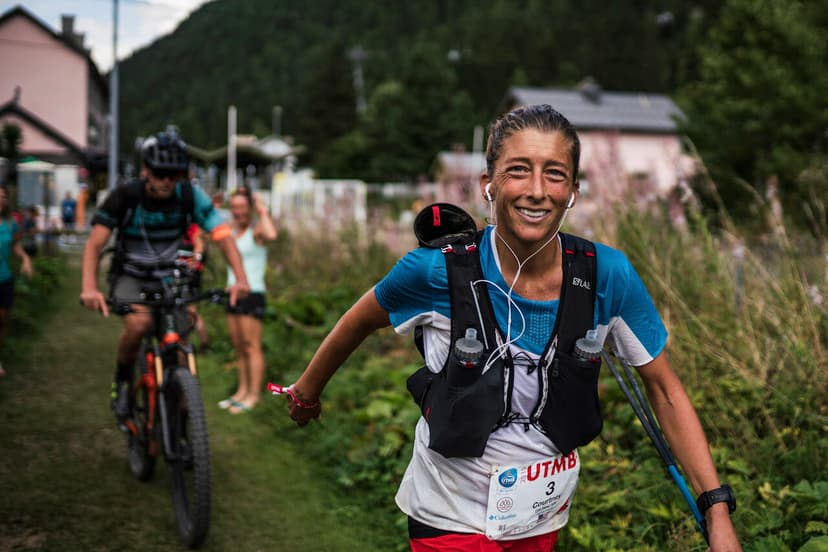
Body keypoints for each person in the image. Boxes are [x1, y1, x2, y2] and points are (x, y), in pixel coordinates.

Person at [285, 105, 741, 551]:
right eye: (518, 170)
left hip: (541, 517)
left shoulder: (608, 276)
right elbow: (357, 322)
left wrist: (716, 512)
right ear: (489, 184)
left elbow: (664, 390)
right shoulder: (433, 272)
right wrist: (306, 393)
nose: (537, 190)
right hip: (447, 517)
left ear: (574, 191)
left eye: (555, 173)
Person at [79, 128, 251, 424]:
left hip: (169, 278)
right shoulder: (126, 196)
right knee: (140, 324)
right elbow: (95, 244)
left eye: (174, 174)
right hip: (130, 275)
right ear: (146, 170)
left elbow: (222, 236)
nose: (167, 181)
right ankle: (121, 382)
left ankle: (183, 419)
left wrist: (241, 278)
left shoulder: (188, 195)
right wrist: (89, 287)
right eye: (160, 174)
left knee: (180, 343)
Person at [219, 187, 277, 414]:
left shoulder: (257, 231)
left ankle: (254, 395)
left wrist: (262, 208)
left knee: (252, 347)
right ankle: (241, 392)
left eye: (242, 207)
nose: (237, 211)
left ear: (250, 209)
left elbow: (272, 235)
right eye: (234, 207)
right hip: (232, 293)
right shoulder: (230, 232)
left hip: (252, 294)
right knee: (239, 347)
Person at [0, 187, 34, 377]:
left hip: (5, 278)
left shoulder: (10, 223)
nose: (1, 200)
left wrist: (25, 258)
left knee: (2, 321)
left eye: (3, 197)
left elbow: (14, 245)